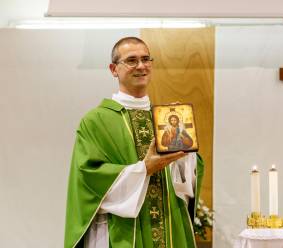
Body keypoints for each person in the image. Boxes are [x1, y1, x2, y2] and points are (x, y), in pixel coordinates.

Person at [64, 37, 204, 248]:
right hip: (123, 231)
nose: (141, 66)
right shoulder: (96, 121)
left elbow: (185, 186)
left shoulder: (164, 118)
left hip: (170, 227)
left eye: (146, 59)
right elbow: (89, 179)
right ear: (114, 69)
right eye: (131, 60)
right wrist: (144, 169)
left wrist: (186, 152)